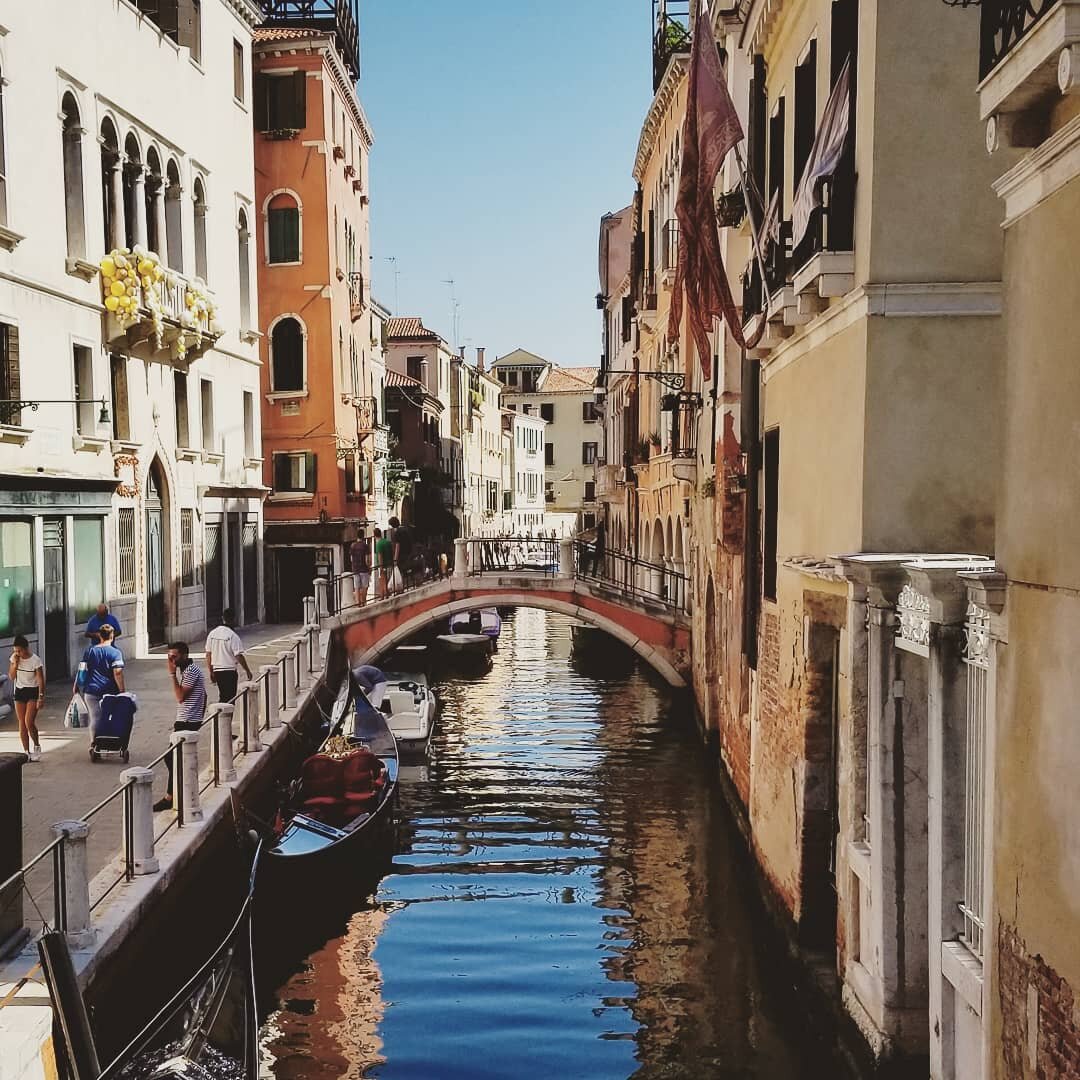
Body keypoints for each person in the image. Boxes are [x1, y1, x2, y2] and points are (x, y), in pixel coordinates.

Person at [154, 641, 207, 813]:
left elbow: (180, 696)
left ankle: (171, 797)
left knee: (172, 758)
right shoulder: (188, 670)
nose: (172, 661)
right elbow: (204, 694)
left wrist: (171, 675)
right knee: (173, 758)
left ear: (184, 655)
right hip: (187, 719)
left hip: (188, 721)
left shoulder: (190, 671)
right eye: (170, 657)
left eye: (174, 657)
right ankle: (174, 793)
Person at [77, 624, 125, 737]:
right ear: (112, 636)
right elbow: (117, 673)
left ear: (99, 636)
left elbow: (82, 669)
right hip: (110, 691)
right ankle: (109, 741)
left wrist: (77, 685)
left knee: (95, 718)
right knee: (111, 717)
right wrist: (122, 691)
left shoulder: (90, 651)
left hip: (91, 690)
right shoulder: (115, 653)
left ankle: (94, 744)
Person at [204, 609, 252, 703]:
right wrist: (247, 670)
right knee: (230, 699)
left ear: (223, 618)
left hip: (217, 670)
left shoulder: (212, 634)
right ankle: (223, 716)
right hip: (229, 671)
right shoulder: (232, 635)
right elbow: (238, 655)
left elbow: (208, 654)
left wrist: (211, 671)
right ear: (234, 619)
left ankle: (221, 715)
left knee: (223, 695)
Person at [10, 635, 44, 761]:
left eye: (20, 650)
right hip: (20, 691)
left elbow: (40, 679)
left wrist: (41, 696)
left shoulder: (35, 660)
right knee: (21, 723)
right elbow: (12, 676)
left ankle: (36, 745)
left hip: (32, 691)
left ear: (26, 648)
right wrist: (15, 664)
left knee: (28, 721)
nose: (18, 653)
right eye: (15, 650)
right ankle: (26, 752)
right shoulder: (15, 658)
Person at [349, 529, 372, 605]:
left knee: (357, 586)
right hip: (364, 569)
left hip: (355, 569)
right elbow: (367, 560)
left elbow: (351, 559)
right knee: (365, 586)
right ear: (363, 536)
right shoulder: (365, 546)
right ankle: (363, 601)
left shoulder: (352, 545)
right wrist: (369, 567)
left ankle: (358, 602)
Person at [374, 527, 394, 596]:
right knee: (388, 580)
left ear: (374, 535)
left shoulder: (379, 544)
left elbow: (380, 556)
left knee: (383, 581)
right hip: (390, 564)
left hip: (383, 565)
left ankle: (383, 595)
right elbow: (392, 552)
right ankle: (387, 593)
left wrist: (381, 567)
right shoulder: (387, 542)